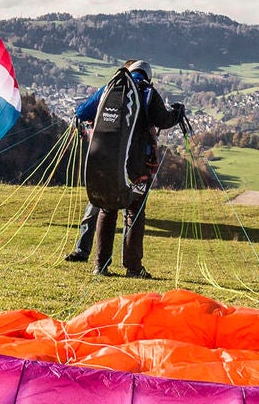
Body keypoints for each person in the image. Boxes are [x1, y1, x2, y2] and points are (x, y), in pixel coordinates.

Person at [65, 60, 186, 278]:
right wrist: (177, 112)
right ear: (147, 75)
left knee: (107, 208)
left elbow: (82, 112)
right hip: (137, 166)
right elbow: (164, 119)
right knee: (134, 212)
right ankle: (133, 267)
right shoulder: (147, 92)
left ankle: (100, 266)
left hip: (107, 164)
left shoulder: (110, 88)